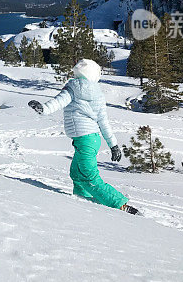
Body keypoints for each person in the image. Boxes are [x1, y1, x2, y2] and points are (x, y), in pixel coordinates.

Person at [28, 58, 138, 215]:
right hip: (91, 140)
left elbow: (59, 102)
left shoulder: (72, 88)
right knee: (77, 174)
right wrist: (113, 145)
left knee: (89, 177)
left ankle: (121, 205)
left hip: (86, 140)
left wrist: (43, 109)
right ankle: (83, 202)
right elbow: (103, 121)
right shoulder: (98, 94)